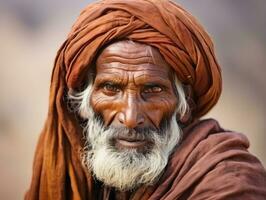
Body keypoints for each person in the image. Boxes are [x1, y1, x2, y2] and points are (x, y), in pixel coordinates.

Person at [25, 0, 266, 199]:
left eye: (152, 90)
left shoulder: (227, 180)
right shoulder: (77, 174)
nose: (130, 118)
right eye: (110, 88)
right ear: (84, 103)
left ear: (184, 104)